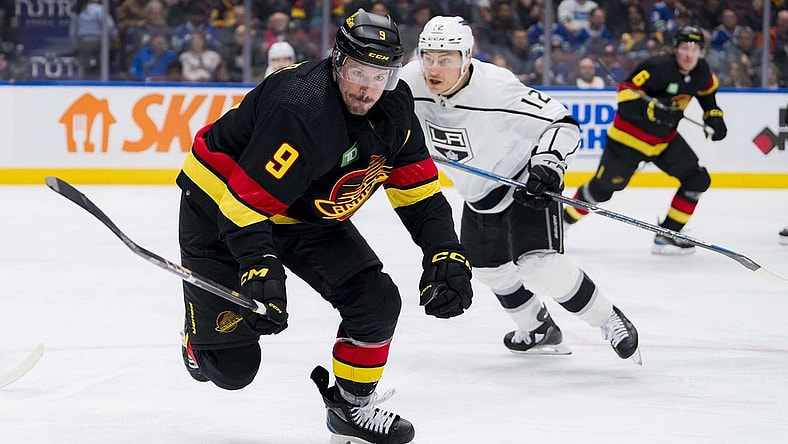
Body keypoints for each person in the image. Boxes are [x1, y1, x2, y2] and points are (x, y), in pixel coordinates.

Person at [175, 9, 472, 444]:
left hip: (302, 213)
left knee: (377, 303)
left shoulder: (395, 108)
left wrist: (445, 251)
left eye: (381, 76)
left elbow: (419, 190)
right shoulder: (302, 111)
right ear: (337, 61)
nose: (368, 88)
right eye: (358, 72)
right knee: (232, 371)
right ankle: (194, 342)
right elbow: (245, 205)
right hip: (220, 203)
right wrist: (259, 266)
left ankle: (350, 409)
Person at [399, 16, 640, 364]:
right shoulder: (408, 82)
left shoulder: (497, 88)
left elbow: (562, 122)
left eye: (446, 58)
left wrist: (548, 163)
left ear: (467, 57)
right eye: (428, 56)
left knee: (540, 266)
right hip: (477, 193)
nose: (434, 67)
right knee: (487, 270)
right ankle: (538, 330)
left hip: (523, 181)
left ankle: (609, 319)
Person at [563, 25, 728, 254]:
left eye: (695, 48)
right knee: (601, 190)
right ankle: (561, 223)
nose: (689, 54)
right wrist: (653, 111)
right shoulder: (656, 67)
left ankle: (668, 234)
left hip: (663, 142)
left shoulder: (701, 72)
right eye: (684, 48)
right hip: (626, 141)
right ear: (675, 49)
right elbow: (625, 97)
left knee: (697, 180)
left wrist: (714, 117)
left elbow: (708, 95)